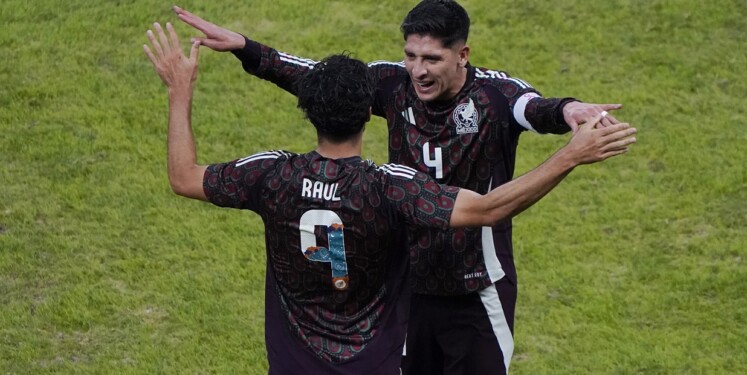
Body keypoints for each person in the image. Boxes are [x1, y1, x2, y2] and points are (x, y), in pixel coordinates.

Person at [165, 2, 633, 372]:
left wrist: (569, 109)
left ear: (462, 55)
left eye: (432, 58)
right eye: (411, 55)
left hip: (476, 289)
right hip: (407, 289)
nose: (418, 70)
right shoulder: (390, 87)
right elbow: (322, 82)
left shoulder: (493, 95)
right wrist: (247, 48)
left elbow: (536, 109)